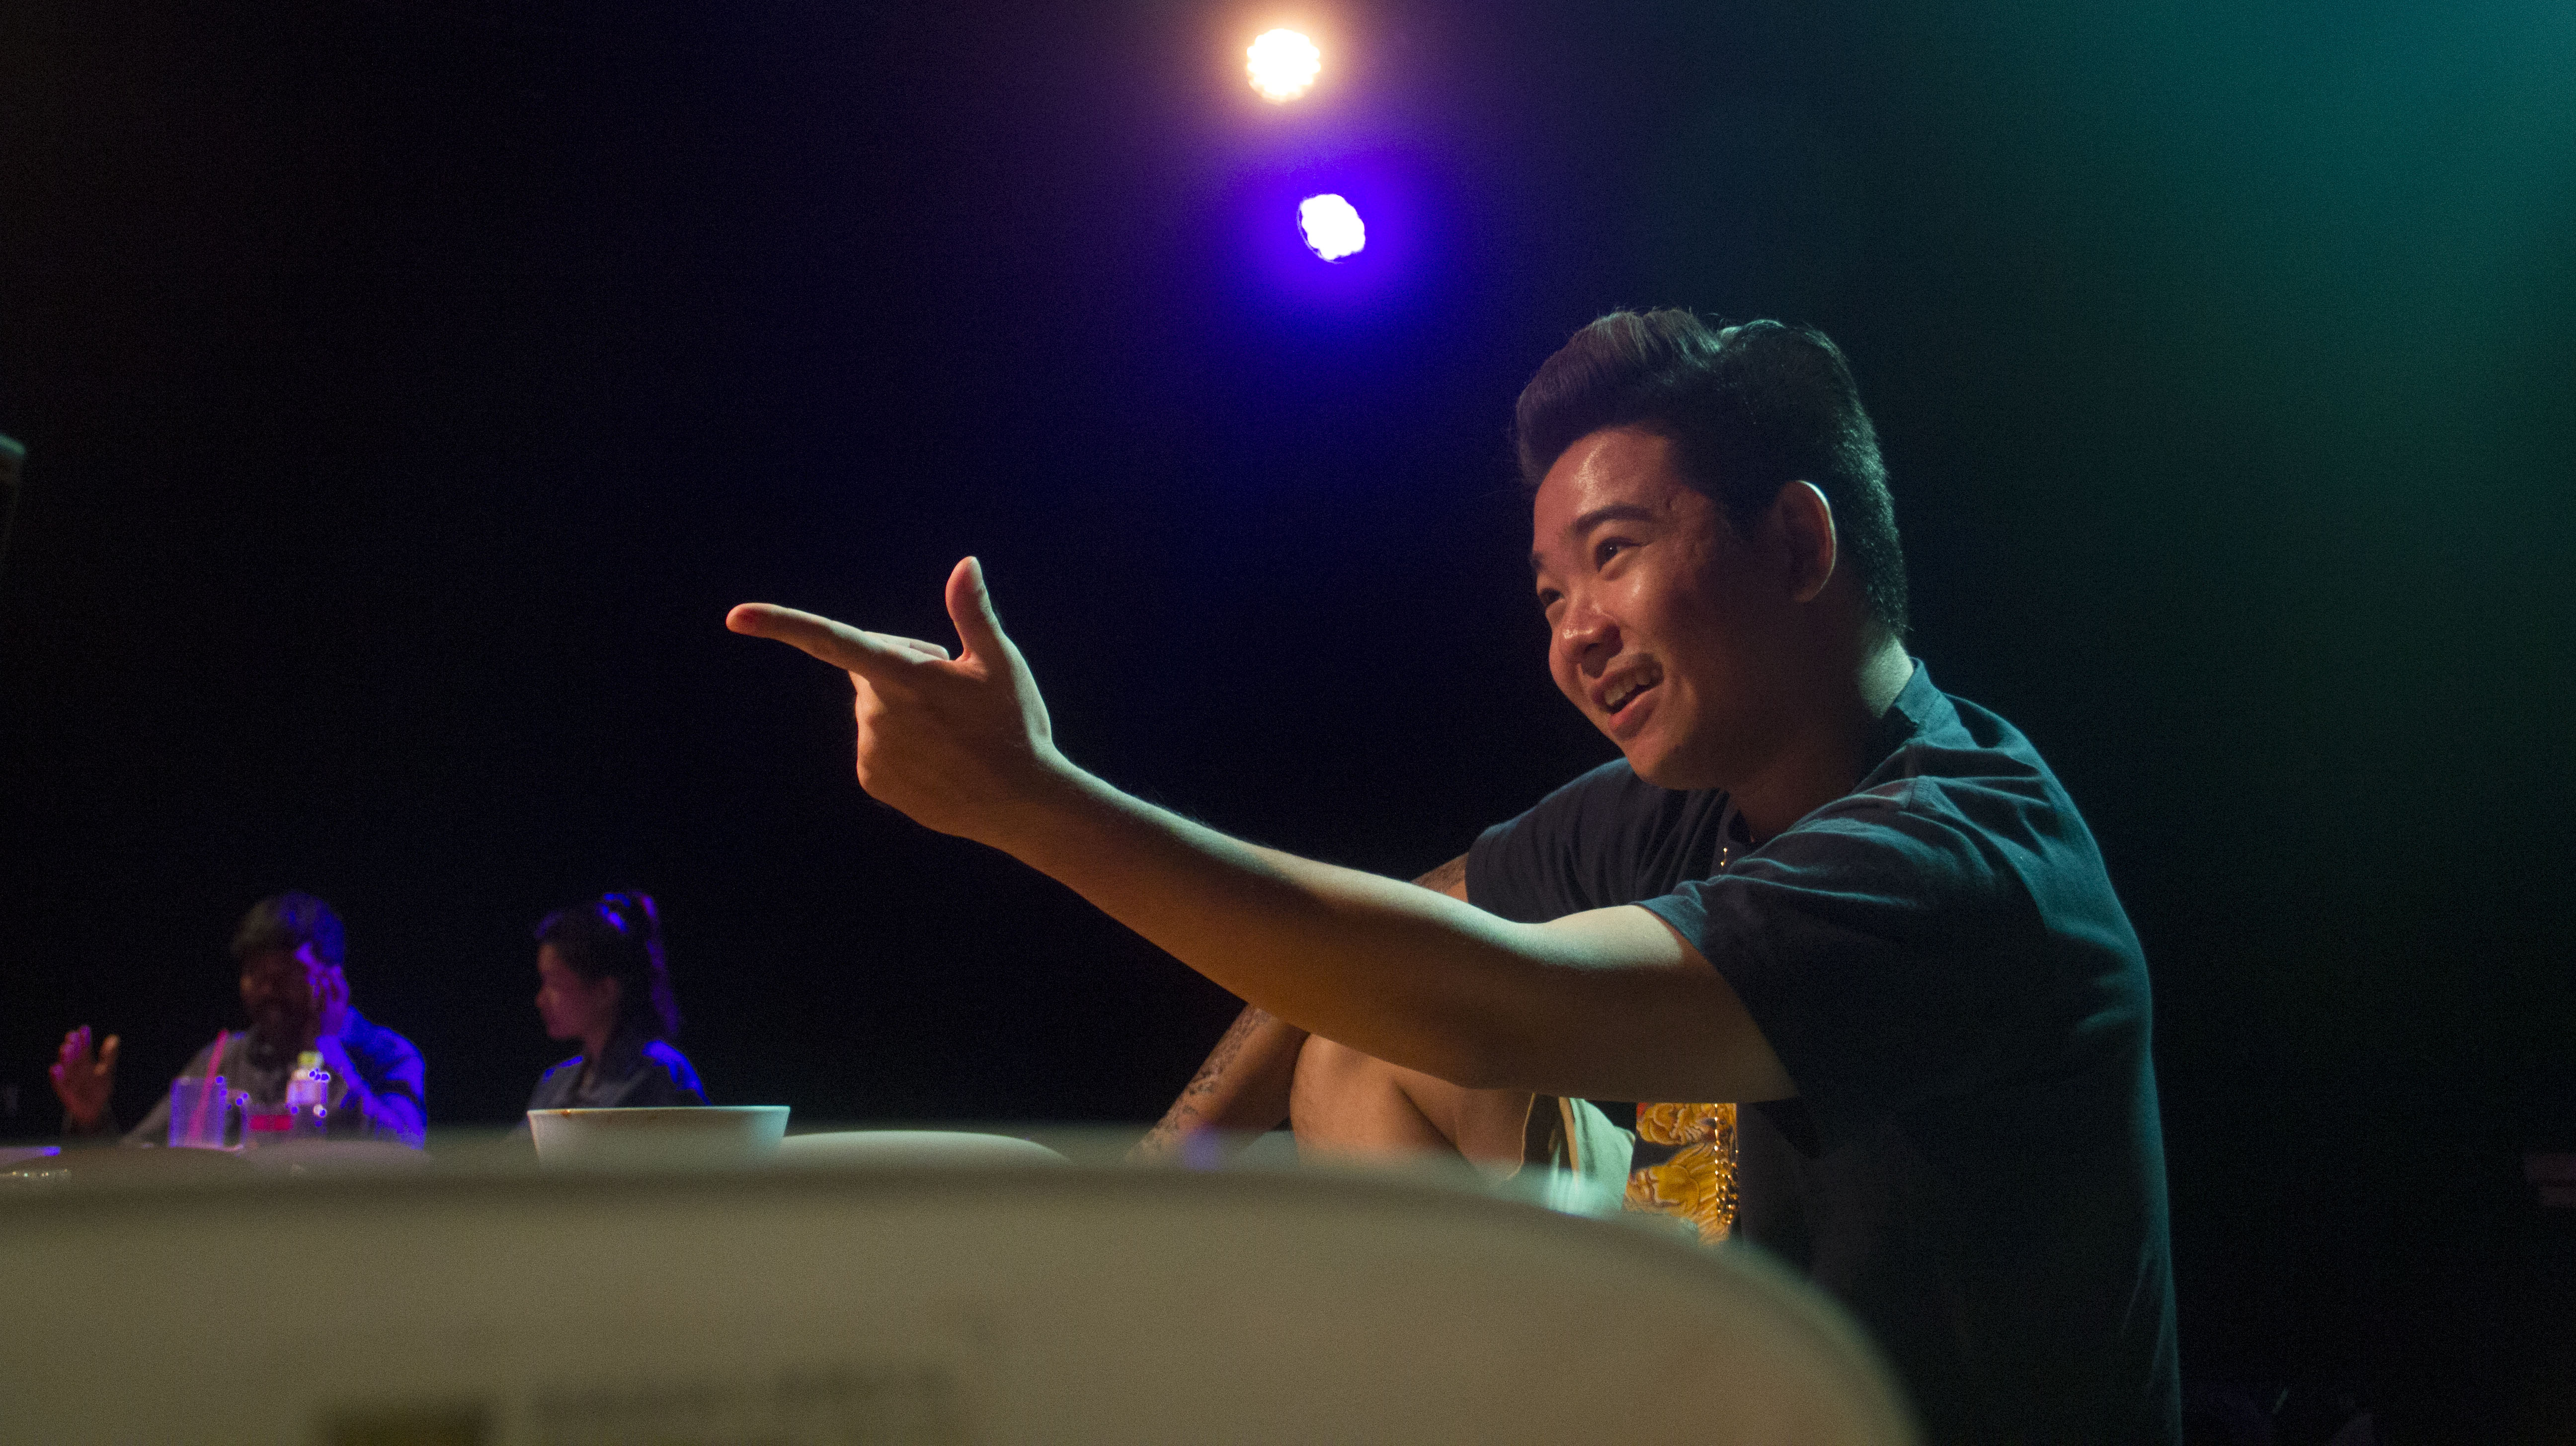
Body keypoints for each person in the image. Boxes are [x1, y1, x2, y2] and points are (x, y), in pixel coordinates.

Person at [724, 312, 2179, 1444]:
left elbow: (1491, 1007)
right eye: (1550, 593)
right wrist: (1158, 1191)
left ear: (1797, 541)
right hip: (1718, 1393)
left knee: (1422, 1020)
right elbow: (1409, 936)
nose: (1575, 632)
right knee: (1360, 1041)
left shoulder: (1960, 859)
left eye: (1612, 555)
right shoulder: (1688, 808)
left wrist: (1039, 809)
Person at [50, 890, 426, 1147]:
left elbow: (407, 1155)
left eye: (285, 975)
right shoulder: (220, 1062)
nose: (267, 991)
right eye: (255, 976)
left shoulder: (388, 1055)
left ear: (332, 980)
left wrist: (327, 1050)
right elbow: (141, 1168)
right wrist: (93, 1122)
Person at [527, 890, 707, 1110]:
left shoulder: (660, 1074)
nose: (540, 1000)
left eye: (554, 983)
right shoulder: (555, 1082)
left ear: (606, 990)